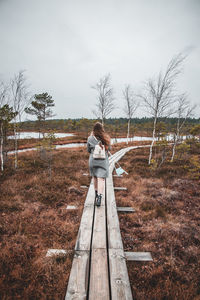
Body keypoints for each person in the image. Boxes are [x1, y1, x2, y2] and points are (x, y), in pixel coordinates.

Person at [87, 122, 111, 207]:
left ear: (93, 129)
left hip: (93, 161)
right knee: (101, 179)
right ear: (102, 129)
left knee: (95, 177)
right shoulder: (106, 138)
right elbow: (109, 149)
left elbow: (88, 150)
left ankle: (96, 194)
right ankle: (100, 196)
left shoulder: (90, 138)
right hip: (103, 162)